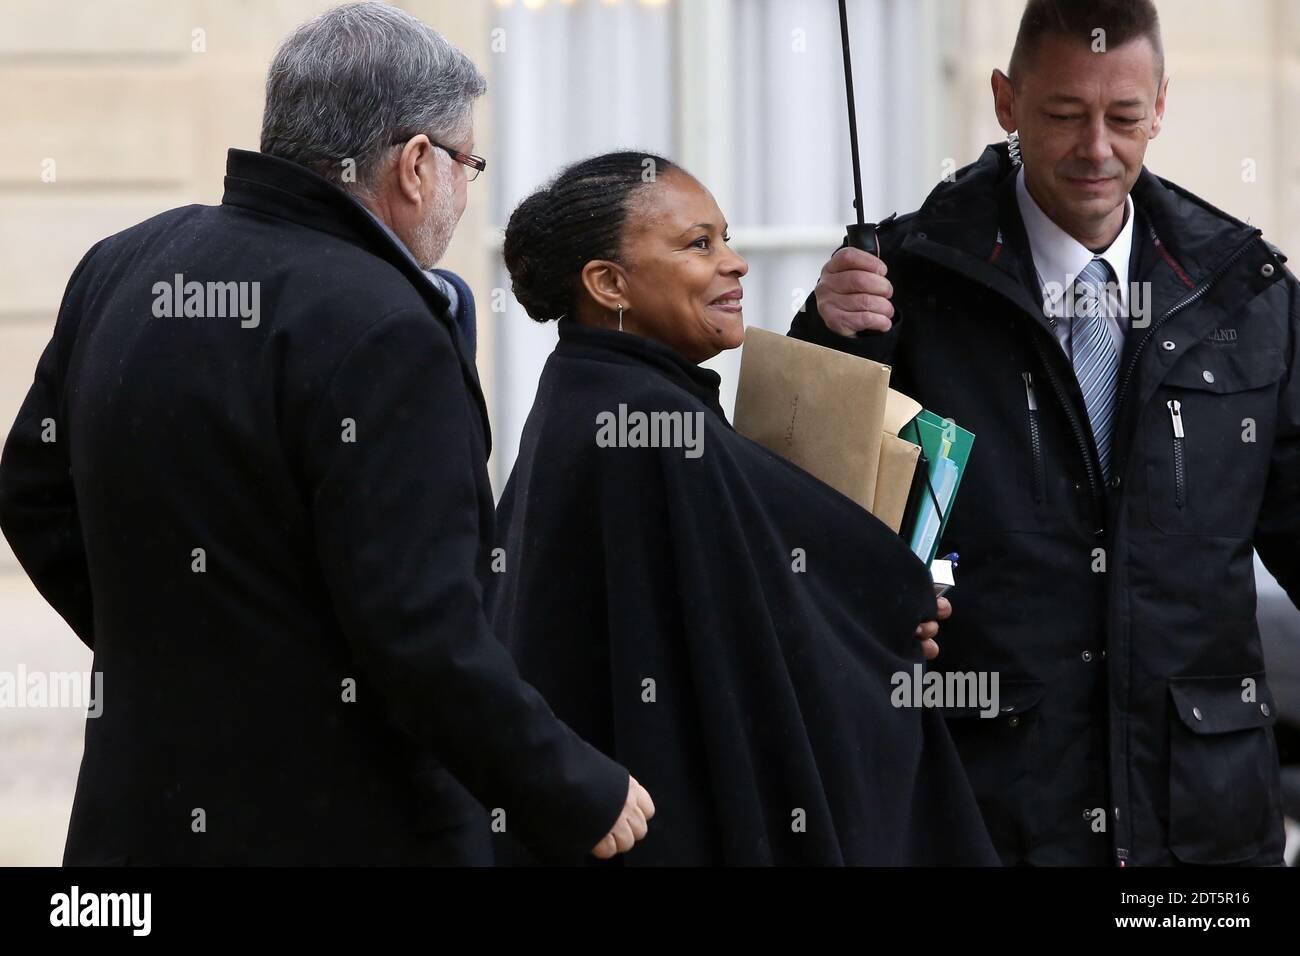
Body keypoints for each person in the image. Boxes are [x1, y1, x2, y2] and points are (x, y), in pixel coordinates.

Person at [0, 2, 652, 865]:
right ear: (417, 163)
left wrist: (183, 653)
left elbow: (31, 497)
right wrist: (575, 786)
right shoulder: (386, 326)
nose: (465, 193)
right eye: (468, 163)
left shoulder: (124, 262)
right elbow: (422, 629)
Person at [791, 0, 1298, 865]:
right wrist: (821, 340)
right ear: (1006, 102)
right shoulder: (902, 285)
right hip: (989, 809)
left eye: (1124, 117)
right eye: (1063, 115)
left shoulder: (1245, 290)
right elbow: (802, 527)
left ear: (1162, 106)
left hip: (1203, 829)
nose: (1096, 149)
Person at [487, 151, 999, 866]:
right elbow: (768, 641)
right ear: (608, 284)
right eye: (699, 245)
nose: (735, 264)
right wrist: (888, 608)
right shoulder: (651, 426)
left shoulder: (586, 390)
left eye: (725, 237)